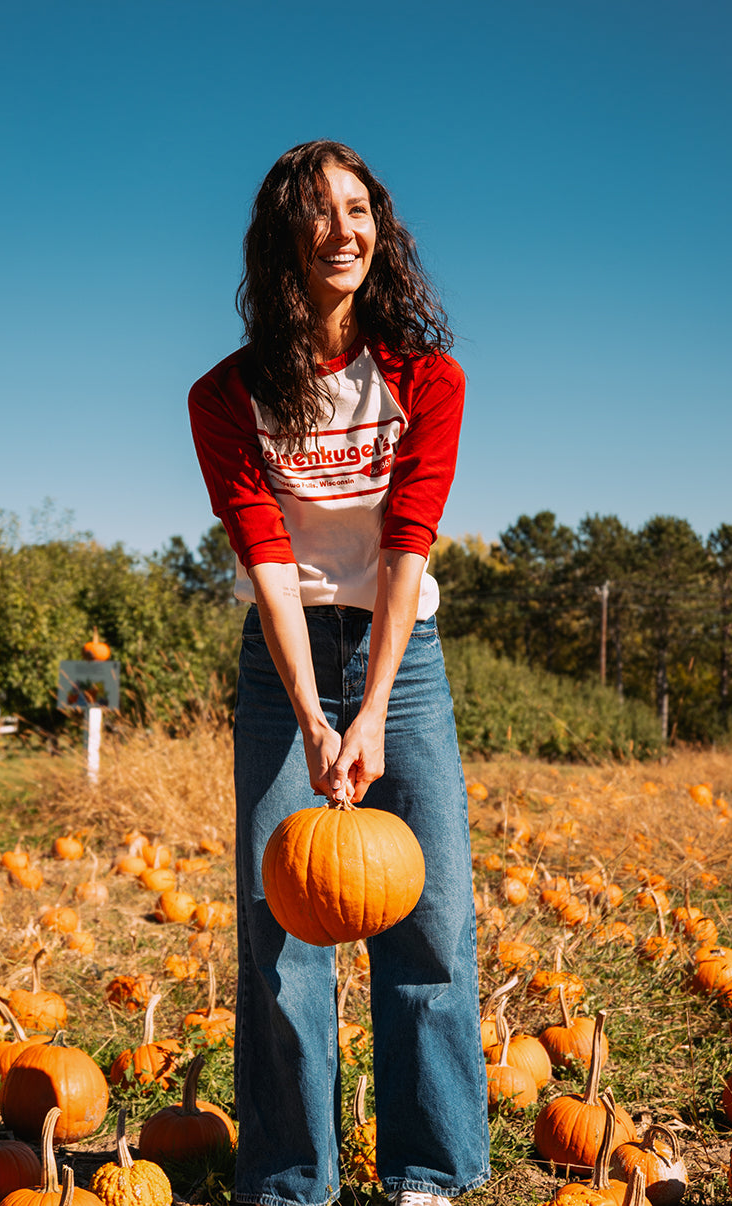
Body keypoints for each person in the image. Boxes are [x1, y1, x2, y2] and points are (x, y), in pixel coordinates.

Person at [188, 140, 489, 1206]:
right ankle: (286, 1181)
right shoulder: (226, 396)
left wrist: (368, 706)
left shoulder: (424, 379)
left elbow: (410, 546)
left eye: (358, 210)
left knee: (430, 920)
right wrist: (317, 717)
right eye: (316, 213)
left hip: (401, 661)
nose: (342, 231)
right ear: (281, 239)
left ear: (382, 228)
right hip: (285, 662)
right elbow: (265, 564)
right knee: (279, 933)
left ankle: (430, 1173)